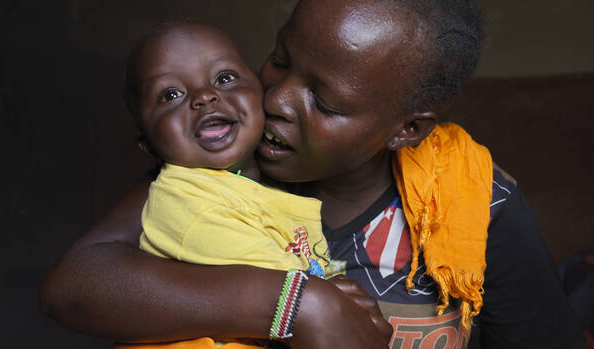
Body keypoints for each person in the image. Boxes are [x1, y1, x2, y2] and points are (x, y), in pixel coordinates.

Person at [39, 0, 584, 348]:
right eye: (279, 59)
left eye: (322, 102)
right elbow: (73, 286)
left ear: (406, 130)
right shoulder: (221, 174)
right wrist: (296, 304)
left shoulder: (475, 207)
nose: (274, 99)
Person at [117, 20, 331, 349]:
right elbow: (290, 287)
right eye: (171, 94)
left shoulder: (270, 186)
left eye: (225, 78)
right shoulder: (182, 198)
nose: (205, 96)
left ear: (261, 91)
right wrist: (334, 295)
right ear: (149, 145)